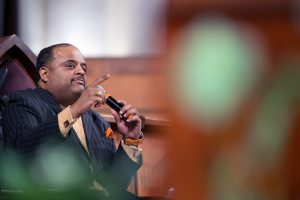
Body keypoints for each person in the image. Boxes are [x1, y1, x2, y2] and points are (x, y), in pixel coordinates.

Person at [0, 43, 143, 199]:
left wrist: (131, 140)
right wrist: (74, 111)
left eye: (84, 68)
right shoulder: (22, 102)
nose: (81, 71)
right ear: (45, 74)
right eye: (70, 66)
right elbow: (22, 151)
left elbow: (113, 185)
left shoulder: (97, 121)